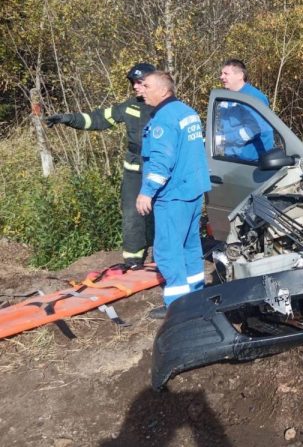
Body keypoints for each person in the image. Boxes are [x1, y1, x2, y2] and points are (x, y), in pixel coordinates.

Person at [45, 62, 156, 268]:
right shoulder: (129, 107)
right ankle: (133, 261)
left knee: (164, 213)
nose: (135, 87)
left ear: (153, 81)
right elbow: (98, 119)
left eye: (140, 83)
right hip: (135, 170)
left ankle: (163, 258)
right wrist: (69, 119)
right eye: (134, 83)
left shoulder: (167, 107)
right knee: (132, 214)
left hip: (161, 170)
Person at [136, 71, 210, 319]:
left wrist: (146, 193)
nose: (141, 89)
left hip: (173, 195)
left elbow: (161, 161)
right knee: (190, 245)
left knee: (168, 250)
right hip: (193, 190)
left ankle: (178, 307)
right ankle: (196, 297)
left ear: (163, 90)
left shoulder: (163, 119)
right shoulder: (187, 112)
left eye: (146, 86)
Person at [217, 58, 274, 160]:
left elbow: (254, 129)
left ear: (240, 75)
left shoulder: (253, 97)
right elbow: (222, 126)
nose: (221, 77)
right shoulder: (225, 98)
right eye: (221, 74)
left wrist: (225, 139)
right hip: (232, 158)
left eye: (226, 74)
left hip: (251, 162)